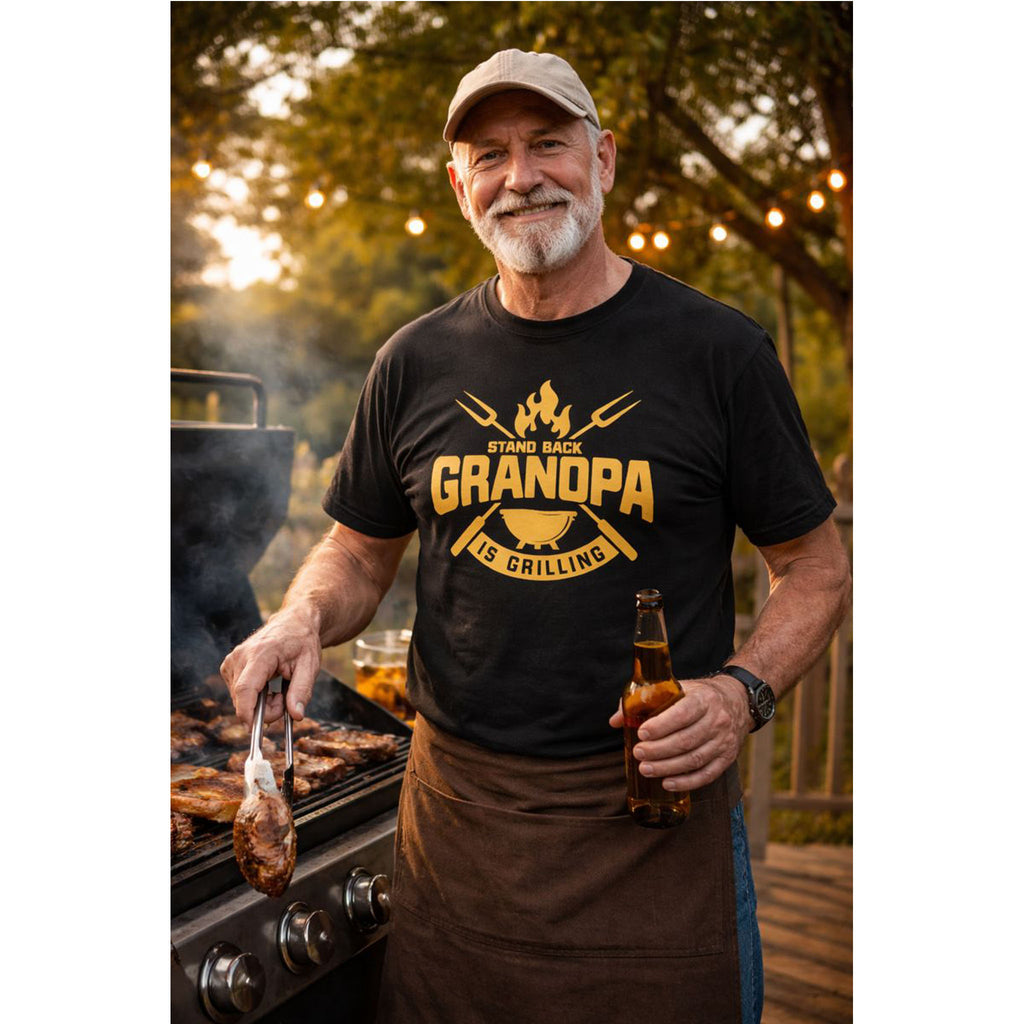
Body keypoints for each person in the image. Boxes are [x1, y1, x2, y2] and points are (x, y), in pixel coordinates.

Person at [221, 48, 852, 1024]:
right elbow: (354, 548)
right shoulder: (416, 360)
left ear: (601, 159)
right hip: (460, 825)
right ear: (459, 184)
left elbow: (813, 567)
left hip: (652, 820)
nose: (520, 177)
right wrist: (301, 613)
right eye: (490, 153)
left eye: (546, 144)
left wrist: (742, 692)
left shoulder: (718, 352)